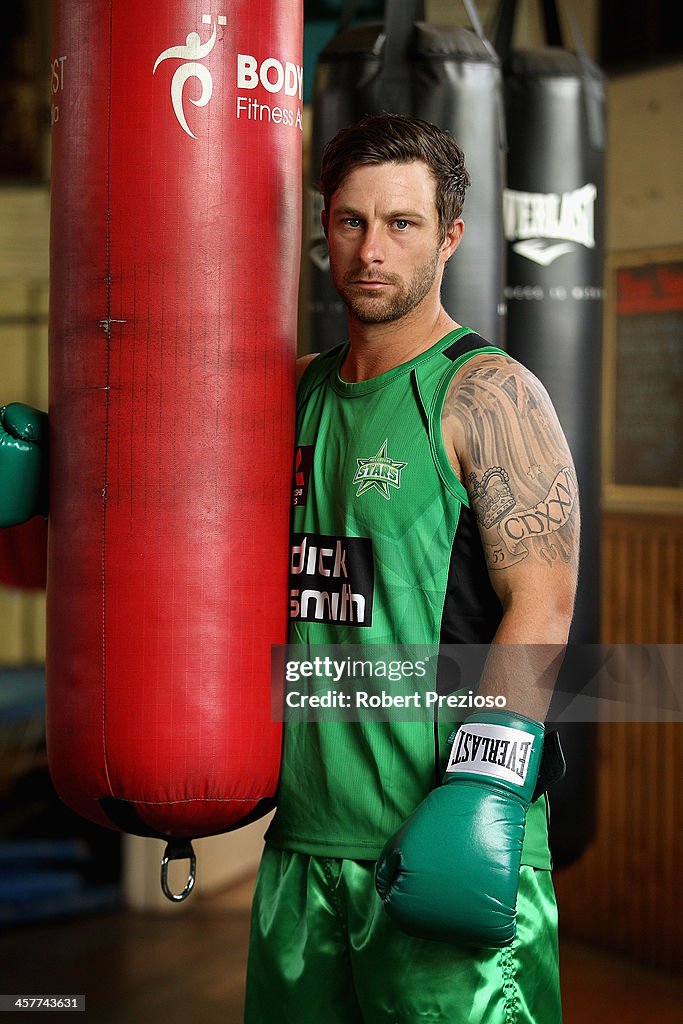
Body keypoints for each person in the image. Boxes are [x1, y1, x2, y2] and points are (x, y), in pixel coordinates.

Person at [244, 114, 579, 1023]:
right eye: (350, 221)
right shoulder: (290, 393)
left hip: (441, 840)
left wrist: (481, 793)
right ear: (324, 229)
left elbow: (541, 607)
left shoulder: (487, 393)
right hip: (305, 846)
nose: (370, 249)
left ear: (449, 237)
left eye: (401, 223)